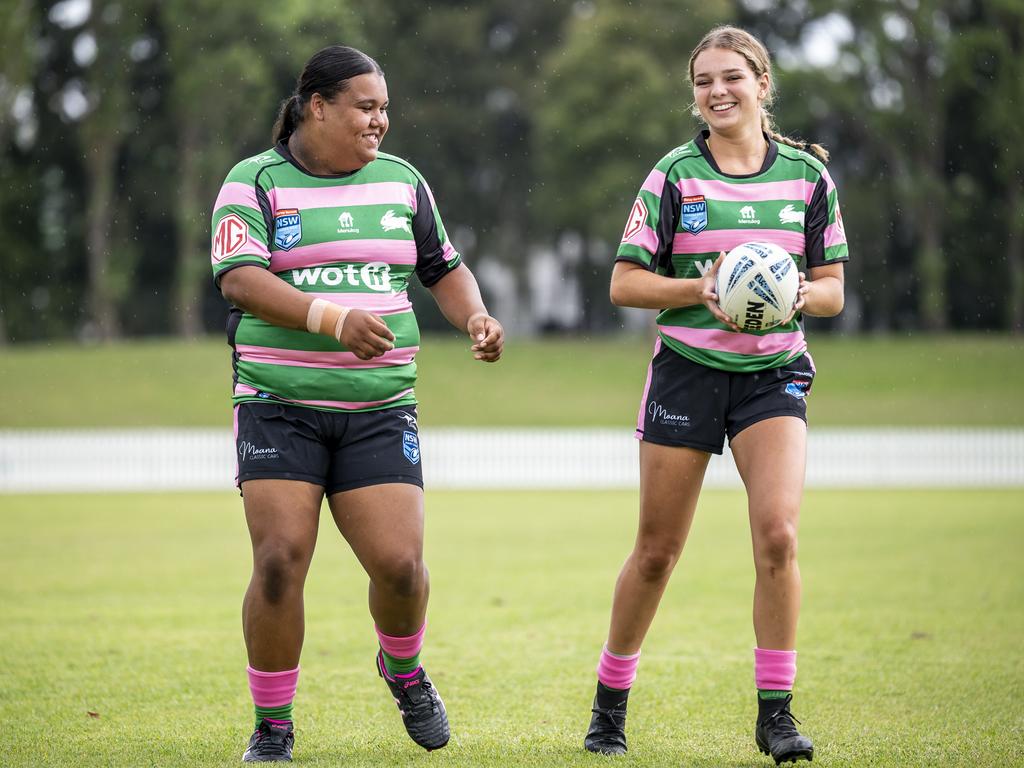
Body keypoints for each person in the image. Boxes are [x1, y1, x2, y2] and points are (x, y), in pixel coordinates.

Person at [210, 45, 503, 763]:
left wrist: (476, 316)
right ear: (318, 106)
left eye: (385, 110)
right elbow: (240, 280)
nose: (380, 122)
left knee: (401, 568)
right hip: (278, 404)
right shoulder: (254, 182)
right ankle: (273, 727)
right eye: (366, 107)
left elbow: (443, 267)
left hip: (379, 410)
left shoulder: (403, 183)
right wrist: (331, 318)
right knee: (280, 559)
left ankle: (402, 670)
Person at [582, 25, 847, 765]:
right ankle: (609, 704)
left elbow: (832, 293)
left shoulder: (807, 177)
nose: (717, 92)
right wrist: (699, 288)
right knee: (658, 552)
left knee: (778, 536)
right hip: (688, 372)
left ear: (763, 83)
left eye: (732, 77)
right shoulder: (673, 176)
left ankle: (777, 713)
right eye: (703, 81)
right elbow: (624, 283)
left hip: (773, 374)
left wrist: (795, 292)